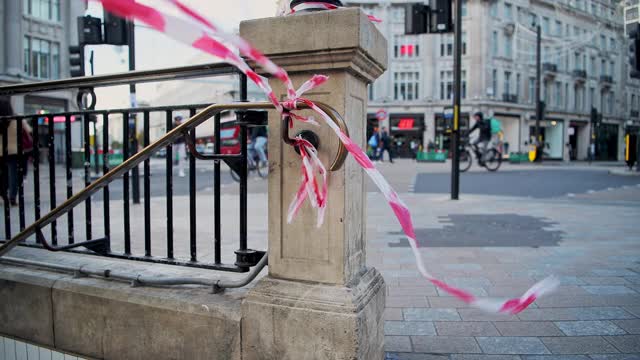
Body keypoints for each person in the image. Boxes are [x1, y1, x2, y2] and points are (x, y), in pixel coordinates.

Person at [0, 98, 33, 206]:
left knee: (3, 174)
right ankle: (12, 196)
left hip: (1, 151)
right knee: (14, 174)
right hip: (15, 151)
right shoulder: (16, 117)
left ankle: (3, 192)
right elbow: (29, 130)